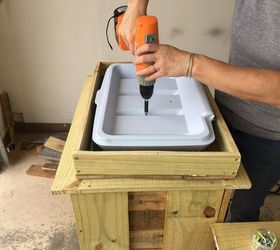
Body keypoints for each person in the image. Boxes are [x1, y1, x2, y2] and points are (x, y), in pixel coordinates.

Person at [119, 0, 280, 222]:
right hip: (227, 105)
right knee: (207, 201)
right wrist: (136, 6)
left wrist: (190, 65)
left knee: (244, 204)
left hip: (269, 132)